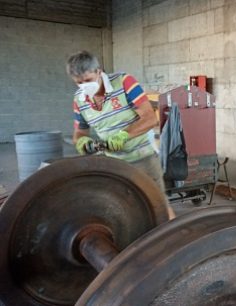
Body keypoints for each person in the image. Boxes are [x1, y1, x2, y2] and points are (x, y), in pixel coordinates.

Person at [67, 50, 175, 219]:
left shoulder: (124, 82)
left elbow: (149, 118)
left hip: (142, 159)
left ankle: (173, 240)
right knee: (125, 212)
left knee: (159, 207)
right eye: (78, 83)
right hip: (114, 164)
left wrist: (123, 135)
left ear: (98, 71)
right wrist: (83, 142)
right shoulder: (79, 100)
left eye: (87, 80)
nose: (84, 86)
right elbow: (79, 132)